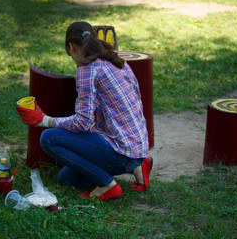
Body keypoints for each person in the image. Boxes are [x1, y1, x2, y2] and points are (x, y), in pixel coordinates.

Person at [16, 21, 153, 201]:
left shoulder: (87, 68)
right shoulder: (114, 58)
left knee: (48, 138)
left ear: (71, 47)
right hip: (137, 145)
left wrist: (44, 120)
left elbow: (82, 122)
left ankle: (107, 185)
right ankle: (139, 165)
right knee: (66, 178)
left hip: (121, 151)